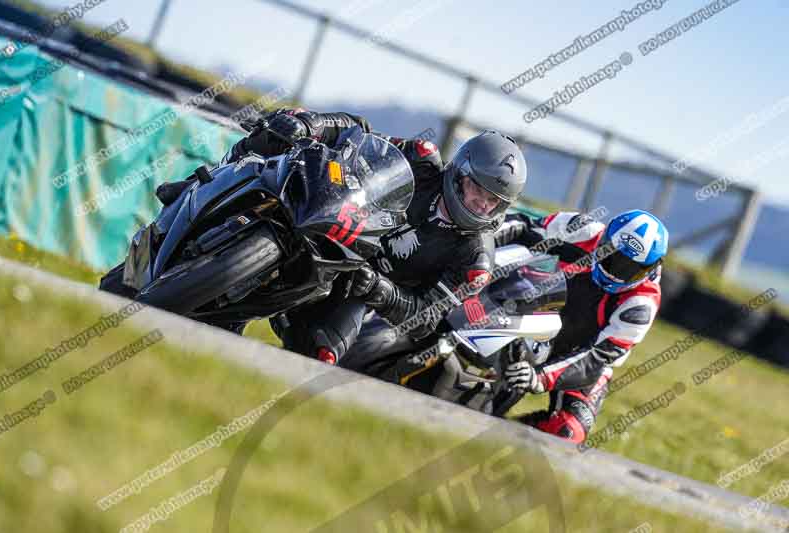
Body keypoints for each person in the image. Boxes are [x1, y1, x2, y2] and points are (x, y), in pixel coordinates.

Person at [212, 107, 528, 371]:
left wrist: (380, 290)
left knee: (322, 359)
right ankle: (205, 184)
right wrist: (315, 124)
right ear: (460, 172)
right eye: (479, 190)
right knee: (282, 134)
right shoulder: (421, 159)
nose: (482, 204)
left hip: (354, 287)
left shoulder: (475, 260)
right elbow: (360, 136)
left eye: (494, 200)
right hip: (328, 227)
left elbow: (425, 318)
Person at [493, 209, 668, 444]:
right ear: (604, 238)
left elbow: (597, 356)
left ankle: (498, 436)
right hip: (533, 315)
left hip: (584, 356)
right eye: (611, 256)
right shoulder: (580, 228)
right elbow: (522, 226)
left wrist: (541, 378)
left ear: (650, 269)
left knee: (570, 430)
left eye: (629, 269)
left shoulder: (641, 305)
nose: (615, 272)